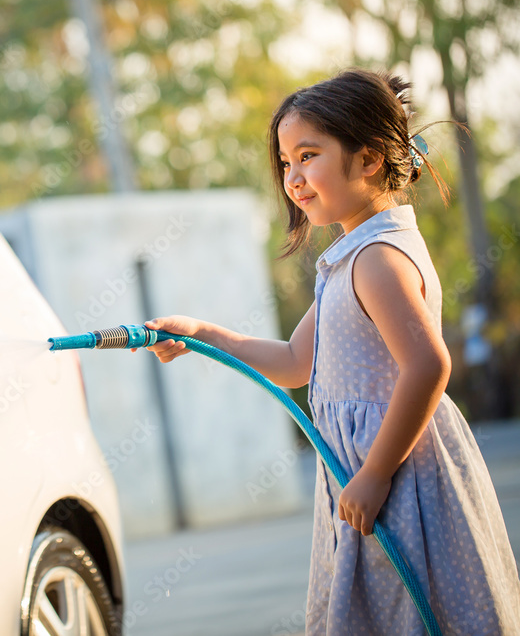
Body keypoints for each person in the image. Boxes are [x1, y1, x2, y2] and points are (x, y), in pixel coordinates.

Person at [140, 69, 520, 634]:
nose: (293, 178)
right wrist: (204, 334)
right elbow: (297, 362)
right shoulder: (349, 258)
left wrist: (375, 473)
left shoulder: (378, 260)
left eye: (309, 155)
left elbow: (429, 365)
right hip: (371, 477)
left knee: (420, 612)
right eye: (287, 162)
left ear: (368, 159)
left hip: (401, 478)